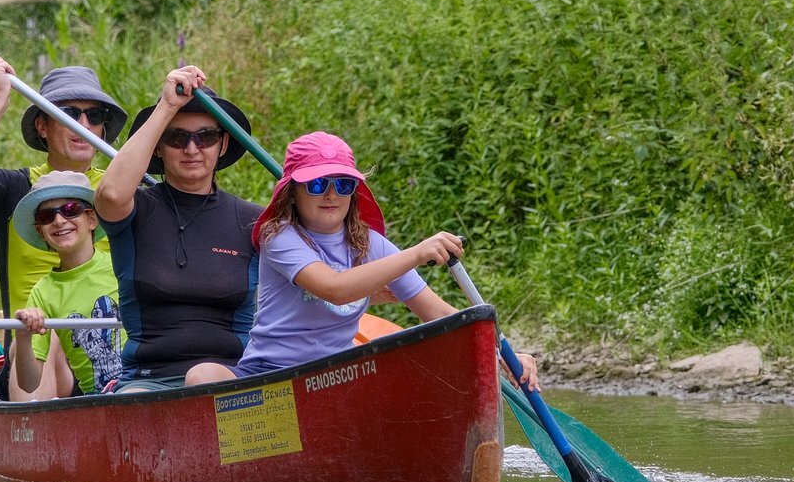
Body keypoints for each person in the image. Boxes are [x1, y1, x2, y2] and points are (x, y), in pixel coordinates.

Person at [184, 131, 539, 388]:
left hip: (335, 378)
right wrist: (415, 253)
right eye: (318, 185)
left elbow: (440, 314)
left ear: (354, 193)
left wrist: (504, 356)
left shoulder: (372, 244)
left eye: (343, 184)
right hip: (269, 376)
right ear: (293, 193)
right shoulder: (279, 236)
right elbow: (334, 289)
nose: (332, 195)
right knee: (201, 375)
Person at [0, 50, 126, 397]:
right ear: (43, 125)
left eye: (94, 115)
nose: (82, 126)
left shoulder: (122, 190)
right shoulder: (17, 189)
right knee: (48, 331)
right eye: (68, 114)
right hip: (34, 355)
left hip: (114, 355)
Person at [94, 65, 262, 392]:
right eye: (176, 137)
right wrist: (167, 107)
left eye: (206, 136)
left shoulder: (254, 221)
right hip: (149, 381)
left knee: (204, 379)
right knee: (146, 398)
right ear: (158, 145)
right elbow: (110, 193)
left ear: (223, 144)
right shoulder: (134, 209)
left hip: (234, 380)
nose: (192, 148)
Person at [9, 171, 122, 398]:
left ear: (91, 219)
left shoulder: (122, 265)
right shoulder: (43, 292)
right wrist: (23, 336)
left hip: (145, 382)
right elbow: (30, 384)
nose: (59, 221)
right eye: (46, 216)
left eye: (71, 210)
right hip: (97, 400)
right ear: (40, 231)